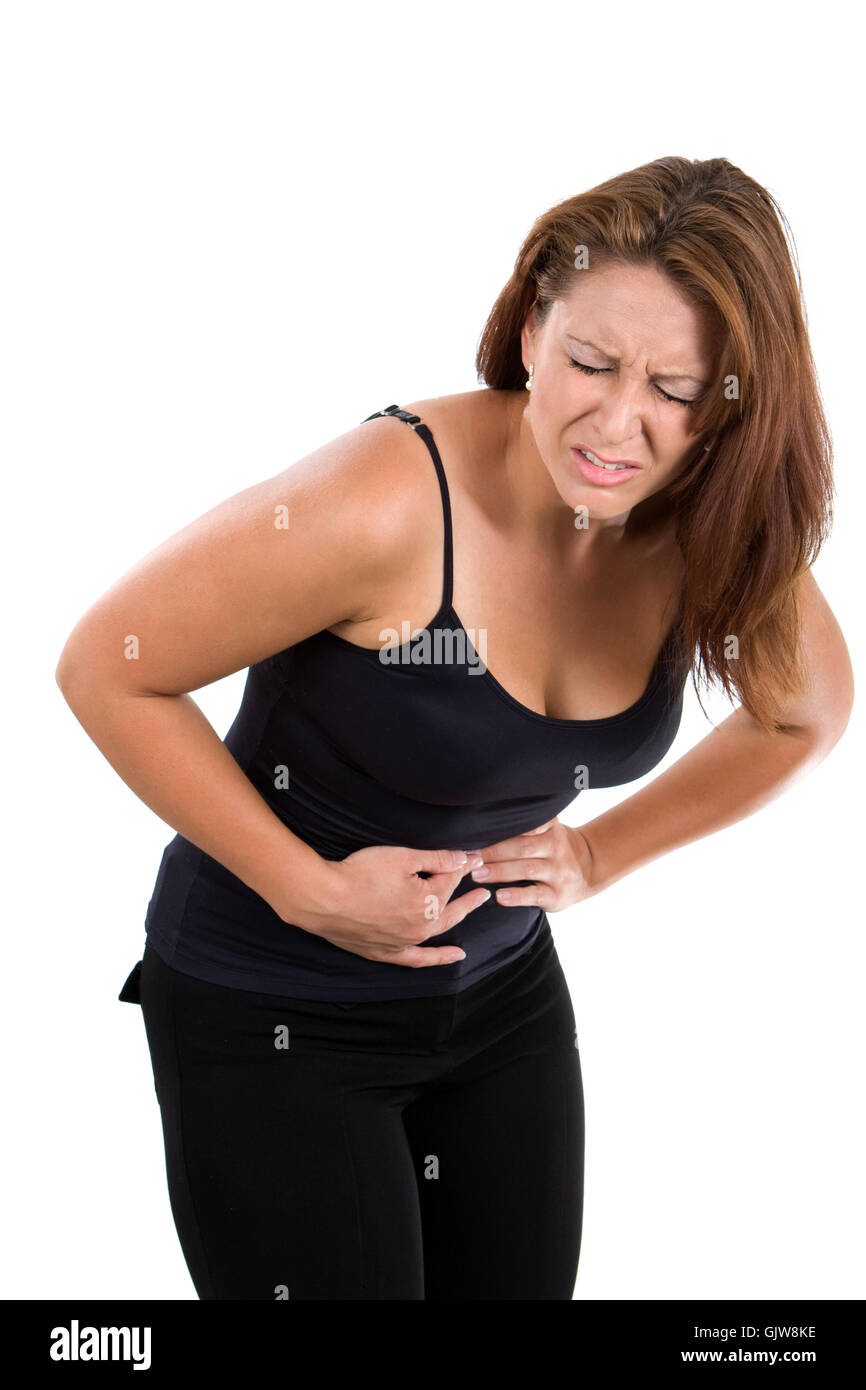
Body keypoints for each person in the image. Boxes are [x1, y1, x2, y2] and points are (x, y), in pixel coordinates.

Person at [55, 155, 853, 1300]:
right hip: (274, 1007)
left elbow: (808, 712)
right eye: (587, 361)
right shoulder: (381, 502)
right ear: (531, 330)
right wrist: (305, 886)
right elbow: (106, 667)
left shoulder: (699, 517)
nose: (615, 425)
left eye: (674, 389)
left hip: (500, 1006)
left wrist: (596, 853)